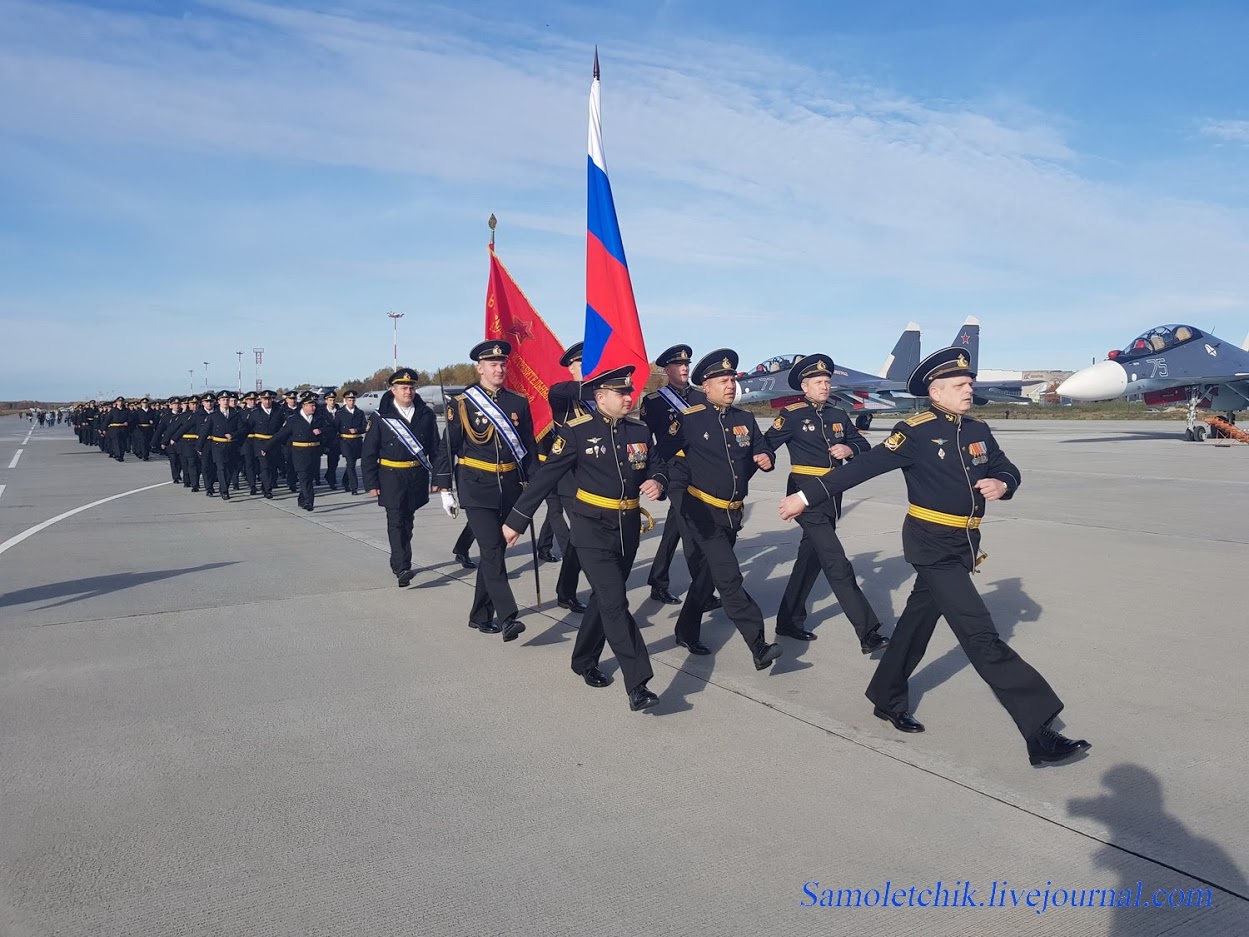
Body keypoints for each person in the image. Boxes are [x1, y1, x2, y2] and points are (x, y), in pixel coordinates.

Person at [778, 347, 1090, 766]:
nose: (969, 388)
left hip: (964, 545)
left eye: (969, 382)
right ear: (936, 390)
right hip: (931, 545)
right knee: (981, 635)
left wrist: (1002, 483)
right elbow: (862, 467)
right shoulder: (915, 431)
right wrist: (803, 495)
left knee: (915, 624)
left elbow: (1007, 467)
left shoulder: (978, 429)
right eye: (960, 384)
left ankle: (886, 696)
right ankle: (1038, 729)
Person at [504, 365, 667, 711]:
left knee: (604, 600)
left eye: (629, 392)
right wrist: (517, 520)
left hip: (627, 528)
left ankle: (583, 659)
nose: (628, 398)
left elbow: (656, 464)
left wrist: (658, 481)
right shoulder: (577, 432)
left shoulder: (639, 429)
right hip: (591, 527)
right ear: (600, 397)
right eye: (621, 393)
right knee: (615, 602)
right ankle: (638, 682)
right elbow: (546, 476)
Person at [661, 349, 783, 672]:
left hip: (732, 514)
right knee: (728, 577)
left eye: (732, 379)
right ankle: (758, 644)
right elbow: (664, 459)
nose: (730, 385)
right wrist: (668, 492)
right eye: (723, 380)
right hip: (701, 513)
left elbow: (762, 450)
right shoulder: (690, 419)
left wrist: (767, 460)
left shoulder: (745, 420)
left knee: (705, 578)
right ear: (707, 385)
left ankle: (685, 630)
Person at [763, 355, 889, 651]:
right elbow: (766, 445)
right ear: (804, 386)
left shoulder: (838, 415)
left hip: (833, 495)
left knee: (810, 560)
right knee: (836, 562)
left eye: (827, 381)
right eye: (818, 382)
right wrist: (761, 460)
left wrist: (848, 447)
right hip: (804, 495)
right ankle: (867, 631)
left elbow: (863, 446)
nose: (825, 385)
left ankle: (788, 621)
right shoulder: (791, 414)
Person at [431, 340, 537, 643]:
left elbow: (527, 449)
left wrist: (533, 490)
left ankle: (479, 615)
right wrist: (444, 488)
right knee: (491, 550)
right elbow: (447, 446)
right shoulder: (463, 403)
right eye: (492, 364)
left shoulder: (518, 403)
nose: (499, 369)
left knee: (495, 553)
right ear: (480, 368)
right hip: (476, 487)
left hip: (510, 487)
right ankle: (508, 617)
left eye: (502, 364)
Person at [639, 343, 719, 611]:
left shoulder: (702, 398)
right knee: (691, 531)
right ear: (667, 369)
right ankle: (702, 593)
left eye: (687, 364)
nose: (684, 368)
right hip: (673, 471)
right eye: (678, 365)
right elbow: (646, 439)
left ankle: (658, 580)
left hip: (699, 470)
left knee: (674, 528)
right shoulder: (654, 402)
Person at [361, 369, 440, 586]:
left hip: (416, 476)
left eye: (411, 387)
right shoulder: (380, 417)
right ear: (393, 390)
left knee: (408, 522)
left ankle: (399, 558)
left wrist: (439, 479)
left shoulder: (425, 414)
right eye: (403, 388)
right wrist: (371, 483)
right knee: (395, 521)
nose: (408, 391)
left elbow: (436, 449)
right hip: (391, 477)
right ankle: (402, 566)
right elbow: (369, 452)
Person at [540, 341, 588, 614]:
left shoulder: (600, 397)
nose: (587, 367)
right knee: (581, 538)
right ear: (570, 368)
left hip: (598, 478)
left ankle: (568, 590)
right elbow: (560, 391)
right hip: (571, 481)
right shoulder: (563, 397)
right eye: (581, 363)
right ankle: (569, 591)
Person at [265, 392, 331, 511]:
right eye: (311, 406)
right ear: (304, 406)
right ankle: (309, 501)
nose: (314, 408)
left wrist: (321, 430)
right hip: (299, 453)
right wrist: (266, 447)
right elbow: (280, 435)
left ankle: (302, 498)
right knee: (303, 476)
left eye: (314, 405)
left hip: (314, 452)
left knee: (309, 478)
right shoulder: (294, 419)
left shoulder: (319, 418)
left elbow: (330, 428)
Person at [198, 392, 244, 501]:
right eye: (223, 400)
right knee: (221, 468)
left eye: (227, 400)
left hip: (231, 446)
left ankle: (224, 486)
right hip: (218, 446)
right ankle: (224, 491)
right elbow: (204, 432)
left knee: (229, 469)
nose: (226, 402)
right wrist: (199, 446)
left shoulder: (235, 415)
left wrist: (233, 435)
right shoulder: (213, 416)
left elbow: (243, 429)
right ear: (218, 402)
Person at [246, 391, 286, 498]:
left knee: (272, 467)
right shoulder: (255, 413)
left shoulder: (278, 412)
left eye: (269, 399)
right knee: (265, 467)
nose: (267, 401)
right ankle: (268, 490)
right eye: (265, 399)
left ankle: (266, 486)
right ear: (261, 400)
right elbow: (247, 428)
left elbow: (283, 428)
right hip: (260, 443)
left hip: (274, 443)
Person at [336, 390, 369, 495]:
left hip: (357, 441)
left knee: (352, 464)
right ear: (346, 401)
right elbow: (336, 427)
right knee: (350, 463)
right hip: (345, 441)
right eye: (349, 400)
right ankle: (354, 487)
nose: (351, 402)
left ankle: (345, 481)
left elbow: (365, 427)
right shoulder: (340, 413)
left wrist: (357, 430)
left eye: (353, 400)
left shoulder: (359, 413)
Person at [320, 389, 342, 489]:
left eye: (333, 400)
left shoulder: (339, 411)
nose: (332, 402)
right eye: (330, 400)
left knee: (335, 461)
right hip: (326, 440)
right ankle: (332, 481)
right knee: (331, 460)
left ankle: (329, 475)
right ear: (326, 401)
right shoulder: (321, 412)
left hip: (337, 440)